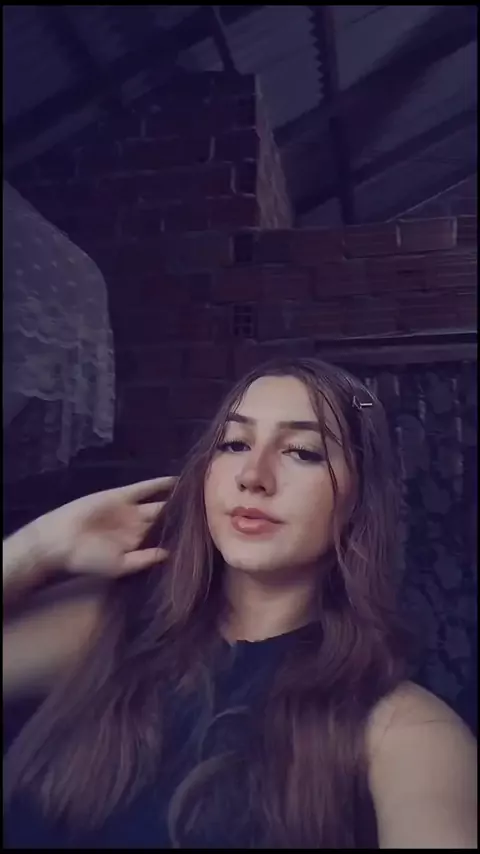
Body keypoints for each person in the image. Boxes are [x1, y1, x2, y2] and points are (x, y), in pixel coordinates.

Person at [3, 358, 477, 849]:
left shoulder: (406, 731)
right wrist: (39, 547)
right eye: (234, 444)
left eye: (302, 452)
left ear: (359, 501)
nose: (253, 475)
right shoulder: (106, 625)